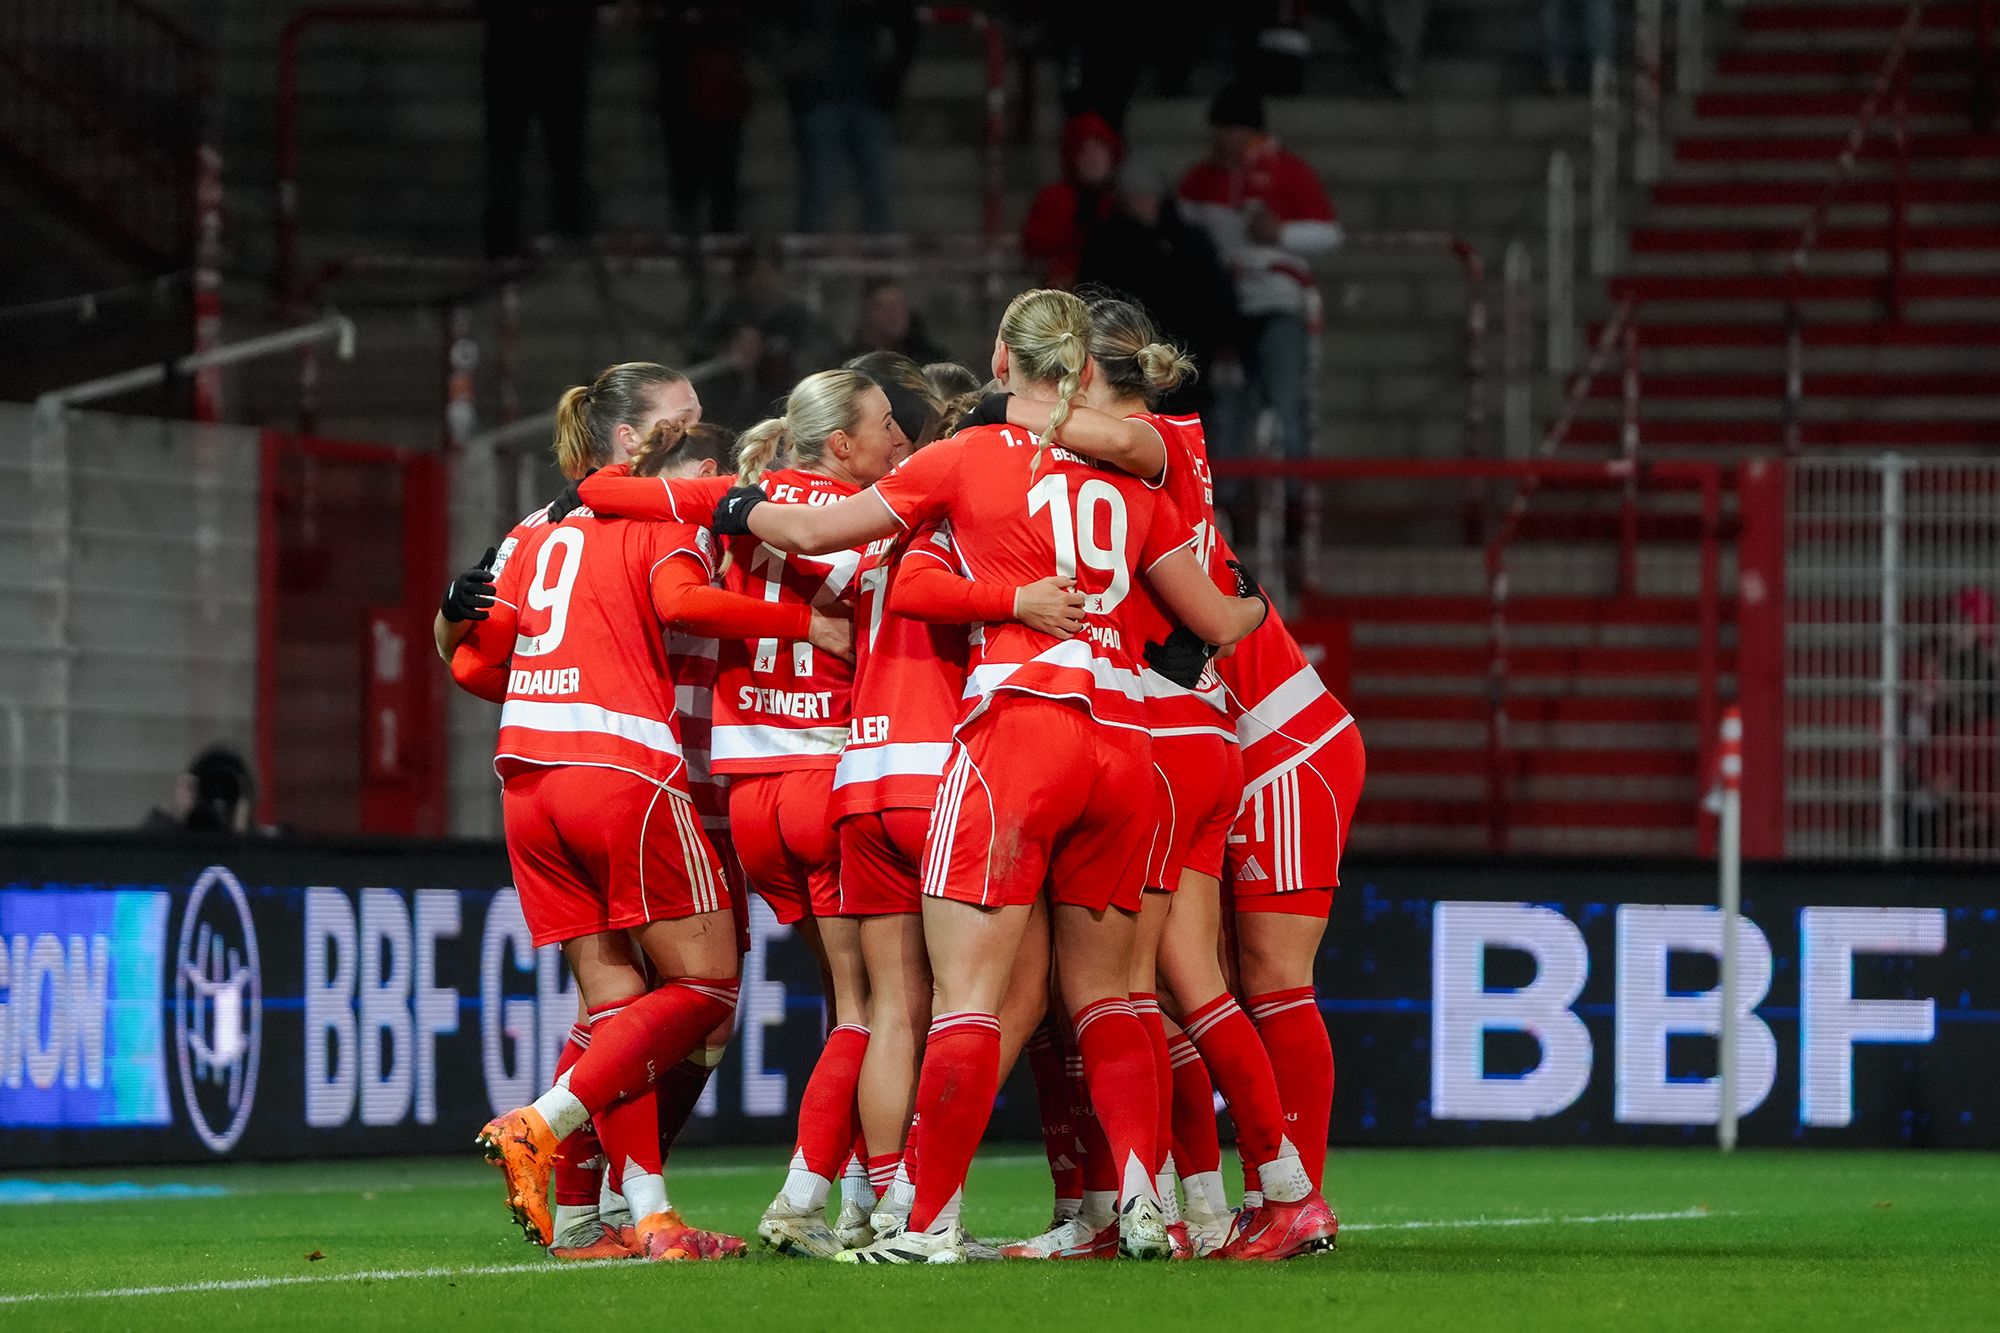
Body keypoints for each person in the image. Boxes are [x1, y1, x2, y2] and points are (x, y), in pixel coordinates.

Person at [706, 288, 1271, 1263]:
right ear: (1084, 370)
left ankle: (920, 1222)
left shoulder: (963, 456)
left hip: (1019, 733)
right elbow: (1221, 623)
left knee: (966, 998)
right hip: (1124, 747)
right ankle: (1144, 1200)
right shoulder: (1128, 481)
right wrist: (1257, 605)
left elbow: (807, 535)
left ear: (1004, 363)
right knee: (1116, 999)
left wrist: (732, 500)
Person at [981, 296, 1340, 1262]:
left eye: (1062, 375)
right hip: (1194, 724)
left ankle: (1274, 1191)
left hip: (1234, 734)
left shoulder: (1150, 438)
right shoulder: (1129, 449)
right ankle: (1197, 1204)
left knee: (1214, 982)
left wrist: (1000, 405)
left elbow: (1133, 458)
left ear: (1086, 376)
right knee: (1174, 988)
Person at [454, 406, 755, 1263]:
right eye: (698, 445)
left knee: (614, 1007)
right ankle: (541, 1125)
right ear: (637, 445)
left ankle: (626, 1217)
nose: (713, 480)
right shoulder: (663, 517)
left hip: (527, 771)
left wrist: (449, 620)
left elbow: (475, 661)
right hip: (633, 771)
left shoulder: (533, 532)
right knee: (706, 993)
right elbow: (679, 599)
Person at [1178, 82, 1341, 462]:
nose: (1225, 139)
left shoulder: (1288, 171)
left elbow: (1330, 234)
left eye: (1233, 130)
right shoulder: (1200, 179)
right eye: (1219, 130)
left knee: (1283, 404)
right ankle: (1224, 507)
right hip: (1220, 307)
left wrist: (1281, 233)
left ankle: (1293, 507)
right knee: (1225, 409)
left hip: (1276, 304)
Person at [1076, 162, 1237, 416]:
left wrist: (1222, 339)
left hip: (1187, 354)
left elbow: (1215, 295)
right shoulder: (1106, 243)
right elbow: (1094, 295)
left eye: (1147, 194)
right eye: (1134, 196)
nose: (1142, 202)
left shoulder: (1190, 241)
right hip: (1127, 354)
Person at [773, 0, 919, 234]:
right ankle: (811, 264)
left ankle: (879, 265)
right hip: (818, 96)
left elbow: (904, 23)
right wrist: (793, 67)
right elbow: (769, 22)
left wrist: (892, 79)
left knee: (876, 193)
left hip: (867, 94)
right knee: (819, 192)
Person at [478, 0, 599, 258]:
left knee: (560, 150)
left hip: (549, 46)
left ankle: (565, 230)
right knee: (512, 152)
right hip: (524, 46)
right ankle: (508, 237)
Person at [689, 241, 829, 421]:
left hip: (783, 413)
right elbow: (699, 362)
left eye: (770, 270)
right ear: (741, 277)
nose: (762, 278)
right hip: (725, 414)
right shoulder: (722, 318)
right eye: (754, 271)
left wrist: (769, 353)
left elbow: (815, 362)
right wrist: (728, 353)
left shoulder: (797, 319)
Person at [652, 4, 751, 237]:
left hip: (721, 95)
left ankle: (723, 242)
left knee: (722, 180)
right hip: (680, 96)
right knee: (685, 181)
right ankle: (687, 242)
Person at [1020, 112, 1124, 290]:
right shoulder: (1054, 199)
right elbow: (1038, 249)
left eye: (1100, 150)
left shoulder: (1124, 201)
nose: (1093, 158)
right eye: (1084, 151)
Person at [140, 745, 265, 835]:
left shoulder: (268, 851)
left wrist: (243, 834)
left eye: (228, 787)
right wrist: (176, 817)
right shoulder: (160, 836)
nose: (218, 793)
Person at [843, 278, 951, 366]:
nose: (895, 314)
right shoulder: (848, 363)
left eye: (900, 306)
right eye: (885, 307)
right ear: (867, 313)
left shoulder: (933, 362)